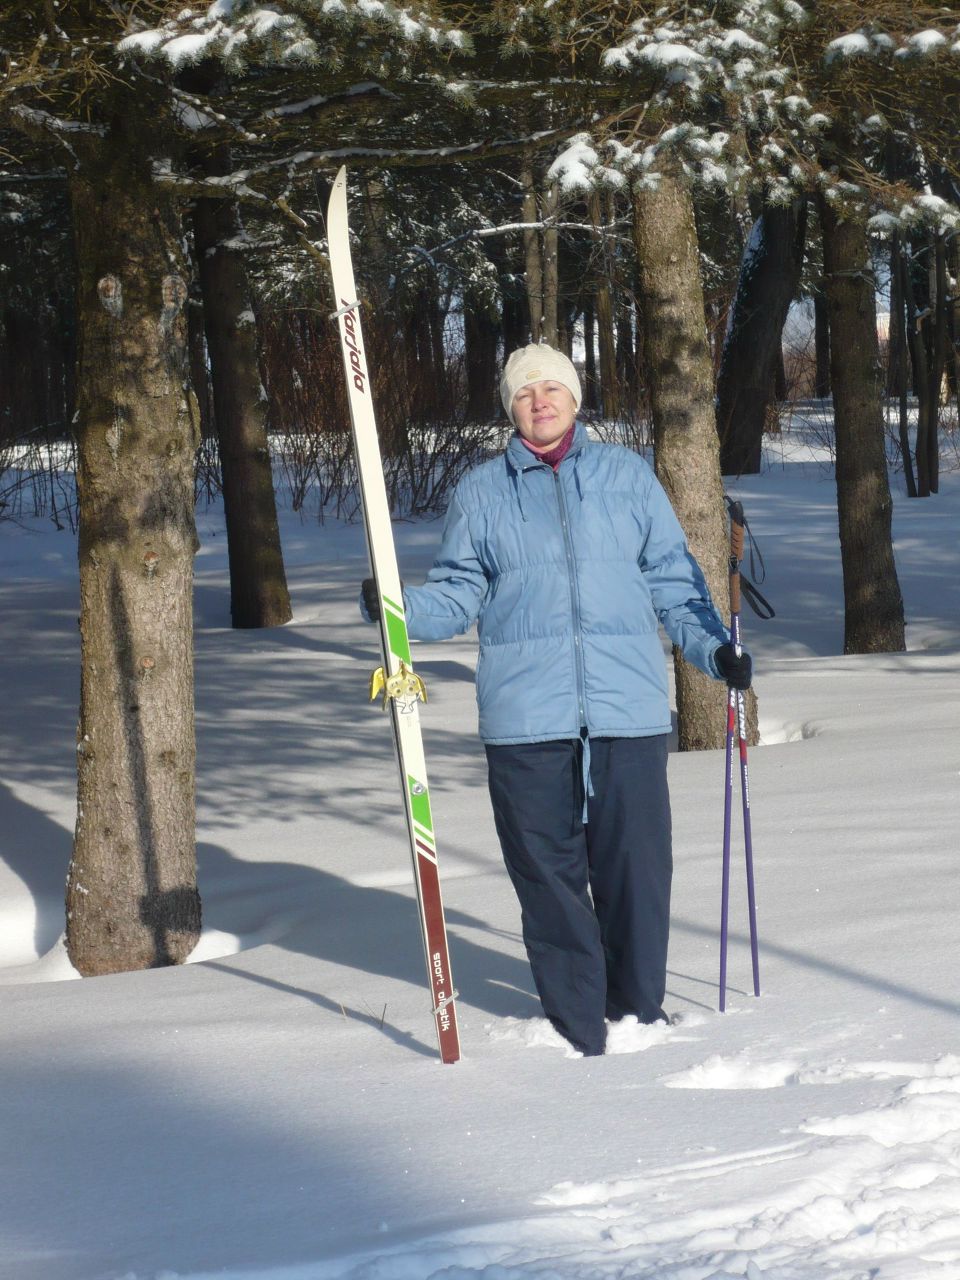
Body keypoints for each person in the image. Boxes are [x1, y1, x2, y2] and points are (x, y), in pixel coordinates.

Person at [361, 343, 751, 1056]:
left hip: (625, 712)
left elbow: (675, 582)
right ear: (509, 408)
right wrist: (393, 608)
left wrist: (712, 651)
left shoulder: (627, 479)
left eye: (552, 388)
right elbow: (456, 595)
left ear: (575, 398)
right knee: (548, 880)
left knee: (636, 871)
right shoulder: (482, 492)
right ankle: (580, 1033)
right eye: (523, 393)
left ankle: (638, 1016)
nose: (539, 401)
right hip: (524, 721)